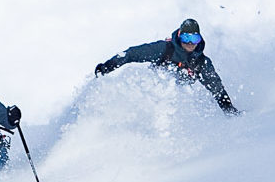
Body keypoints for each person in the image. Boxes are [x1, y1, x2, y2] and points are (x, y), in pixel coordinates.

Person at [94, 18, 239, 113]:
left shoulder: (201, 62)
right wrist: (109, 66)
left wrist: (229, 110)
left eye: (194, 38)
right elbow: (132, 54)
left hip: (179, 103)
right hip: (156, 94)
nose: (190, 43)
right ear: (179, 36)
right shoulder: (165, 49)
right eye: (186, 38)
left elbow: (217, 89)